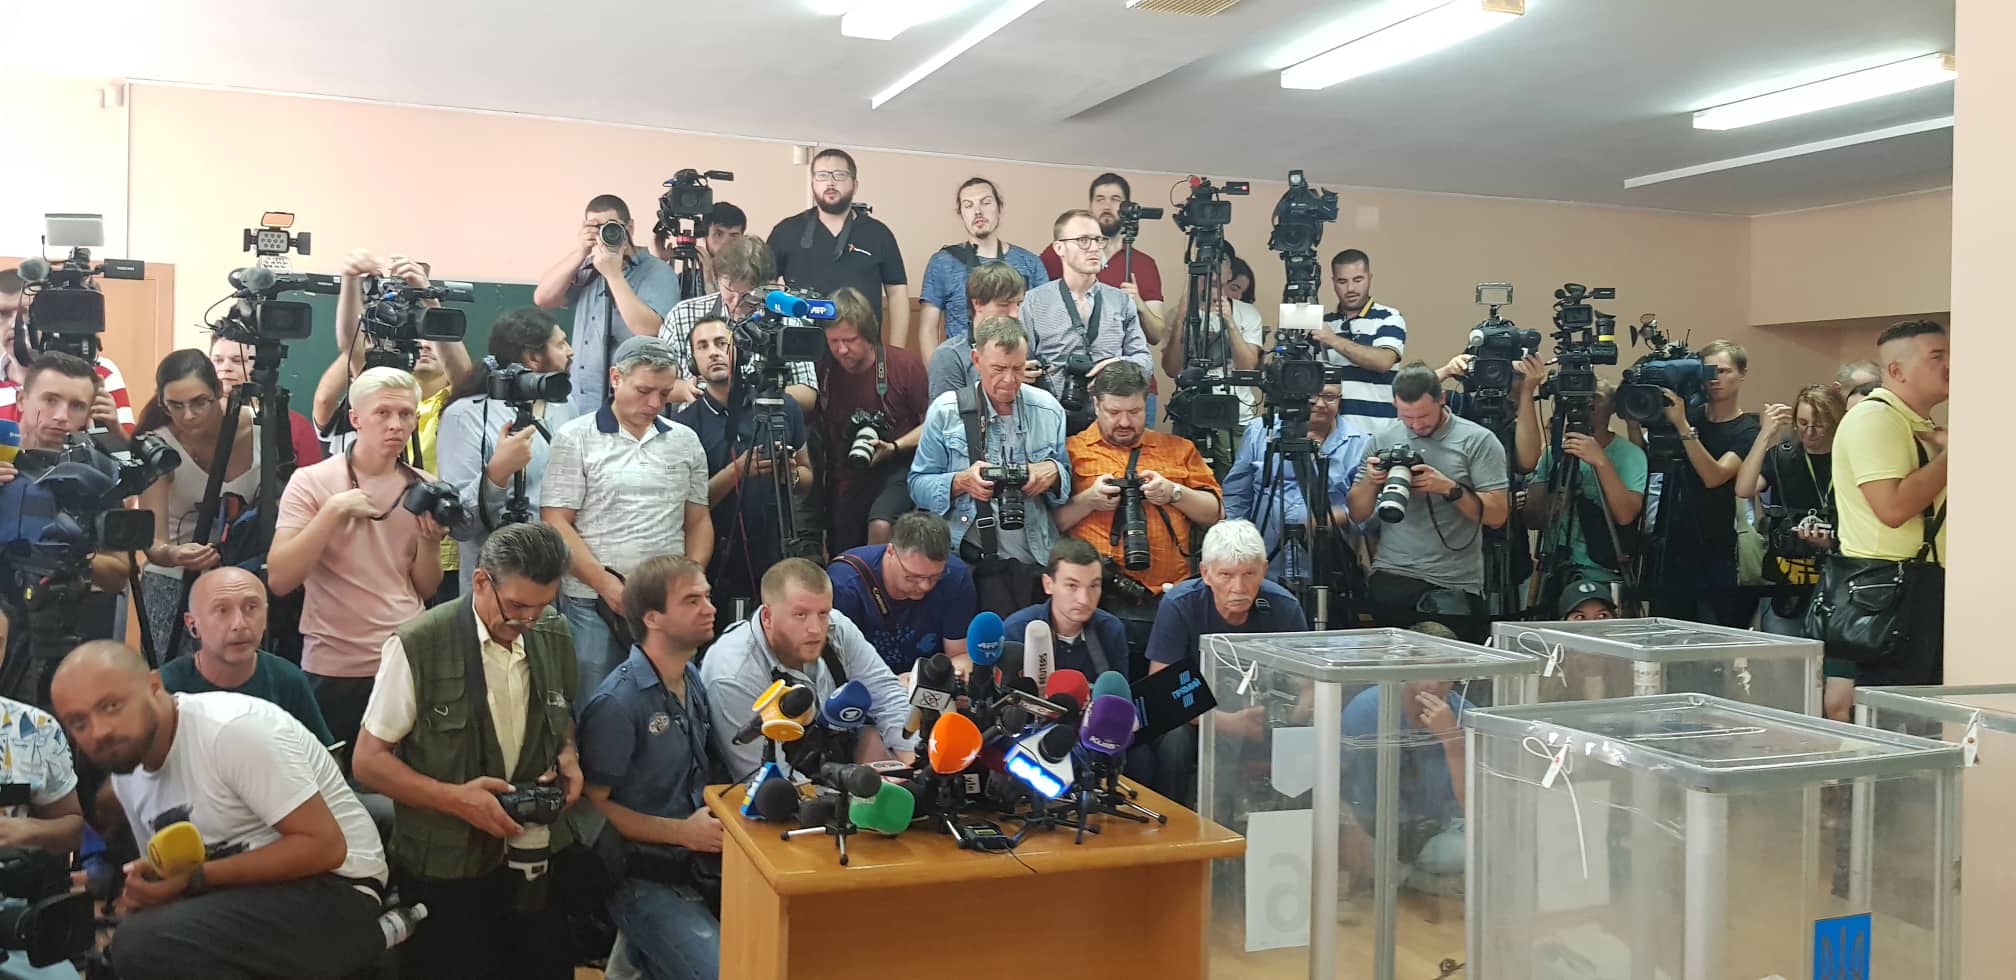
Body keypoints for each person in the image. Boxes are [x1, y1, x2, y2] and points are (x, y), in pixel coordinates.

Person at [53, 642, 386, 980]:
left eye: (111, 706)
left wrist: (193, 880)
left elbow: (326, 847)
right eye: (79, 722)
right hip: (248, 892)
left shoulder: (233, 731)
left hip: (342, 886)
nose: (100, 731)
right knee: (128, 947)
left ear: (154, 686)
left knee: (143, 944)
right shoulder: (127, 771)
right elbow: (173, 870)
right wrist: (150, 884)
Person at [351, 523, 584, 980]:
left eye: (541, 606)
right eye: (517, 606)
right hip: (447, 863)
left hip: (532, 852)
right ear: (480, 581)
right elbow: (368, 762)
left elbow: (562, 710)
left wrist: (568, 751)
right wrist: (455, 799)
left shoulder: (552, 632)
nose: (527, 622)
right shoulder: (419, 644)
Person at [269, 367, 447, 757]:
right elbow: (280, 578)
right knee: (331, 777)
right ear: (355, 418)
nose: (395, 424)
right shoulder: (312, 481)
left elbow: (424, 587)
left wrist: (430, 541)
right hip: (335, 662)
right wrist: (332, 513)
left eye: (406, 414)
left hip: (405, 656)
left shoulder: (424, 486)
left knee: (403, 776)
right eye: (382, 413)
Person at [580, 556, 726, 980]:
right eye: (692, 601)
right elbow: (590, 809)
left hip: (698, 867)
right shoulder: (618, 703)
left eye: (707, 596)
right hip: (642, 878)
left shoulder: (690, 676)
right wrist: (682, 833)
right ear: (652, 617)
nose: (710, 608)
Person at [543, 336, 712, 702]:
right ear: (615, 378)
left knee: (670, 703)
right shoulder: (575, 437)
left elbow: (698, 520)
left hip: (667, 603)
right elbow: (555, 520)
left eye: (665, 393)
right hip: (593, 602)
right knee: (594, 702)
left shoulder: (685, 440)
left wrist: (690, 581)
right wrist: (606, 585)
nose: (655, 404)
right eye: (644, 390)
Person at [318, 250, 478, 605]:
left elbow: (464, 374)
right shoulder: (385, 394)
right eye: (417, 336)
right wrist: (350, 284)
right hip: (381, 541)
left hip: (439, 541)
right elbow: (350, 346)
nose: (424, 344)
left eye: (429, 335)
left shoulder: (453, 404)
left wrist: (428, 296)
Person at [1053, 362, 1222, 665]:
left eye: (1135, 412)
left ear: (1147, 404)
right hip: (1099, 600)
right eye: (1114, 412)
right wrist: (1089, 501)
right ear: (1096, 404)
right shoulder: (1070, 451)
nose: (1125, 422)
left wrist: (1174, 493)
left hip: (1169, 600)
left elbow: (1215, 514)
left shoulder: (1178, 449)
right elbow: (1050, 525)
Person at [699, 559, 916, 783]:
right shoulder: (734, 674)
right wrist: (850, 794)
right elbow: (763, 780)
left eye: (823, 613)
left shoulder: (836, 627)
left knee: (880, 741)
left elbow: (887, 695)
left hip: (835, 764)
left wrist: (914, 764)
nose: (816, 629)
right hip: (772, 788)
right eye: (800, 615)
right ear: (767, 617)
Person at [910, 316, 1072, 615]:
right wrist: (961, 482)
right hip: (967, 560)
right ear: (976, 360)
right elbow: (917, 486)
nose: (1009, 380)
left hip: (1034, 561)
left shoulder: (1049, 409)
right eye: (998, 369)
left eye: (1018, 368)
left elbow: (1065, 489)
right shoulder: (946, 411)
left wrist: (1053, 472)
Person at [1141, 520, 1308, 806]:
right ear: (1206, 573)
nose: (1238, 587)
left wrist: (1295, 714)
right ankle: (1173, 820)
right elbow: (1162, 691)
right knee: (1174, 739)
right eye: (1226, 575)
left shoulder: (1284, 606)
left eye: (1249, 574)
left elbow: (1309, 684)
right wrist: (1229, 724)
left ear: (1264, 570)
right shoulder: (1181, 605)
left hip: (1263, 717)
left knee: (1306, 737)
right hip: (1198, 719)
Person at [1346, 363, 1509, 641]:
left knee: (1443, 665)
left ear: (1441, 399)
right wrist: (1372, 481)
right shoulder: (1383, 439)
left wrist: (1449, 488)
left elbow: (1497, 516)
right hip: (1391, 574)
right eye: (1406, 417)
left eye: (1423, 416)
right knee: (1393, 665)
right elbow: (1358, 514)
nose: (1416, 425)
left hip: (1452, 581)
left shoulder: (1478, 440)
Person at [670, 316, 812, 628]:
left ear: (740, 351)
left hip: (777, 549)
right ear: (693, 361)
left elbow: (807, 477)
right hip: (720, 558)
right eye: (702, 346)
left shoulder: (783, 407)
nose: (713, 352)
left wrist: (790, 475)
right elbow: (688, 508)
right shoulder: (685, 426)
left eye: (722, 343)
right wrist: (738, 471)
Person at [1832, 319, 1947, 690]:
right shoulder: (1874, 418)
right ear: (1896, 371)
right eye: (1937, 356)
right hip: (1887, 592)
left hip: (1917, 586)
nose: (1950, 365)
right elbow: (1892, 508)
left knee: (1926, 711)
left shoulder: (1914, 420)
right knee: (1898, 713)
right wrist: (1955, 454)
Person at [435, 307, 581, 594]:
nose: (571, 351)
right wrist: (497, 474)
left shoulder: (565, 405)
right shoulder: (466, 416)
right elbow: (460, 525)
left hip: (560, 581)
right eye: (561, 344)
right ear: (533, 357)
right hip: (497, 586)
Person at [132, 351, 260, 655]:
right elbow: (154, 543)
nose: (188, 415)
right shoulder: (156, 446)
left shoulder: (259, 429)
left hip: (244, 578)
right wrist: (174, 554)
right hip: (174, 582)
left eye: (199, 402)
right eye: (175, 406)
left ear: (218, 391)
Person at [1339, 622, 1472, 898]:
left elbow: (1474, 807)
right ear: (1405, 667)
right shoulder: (1367, 711)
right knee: (1336, 840)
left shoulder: (1464, 714)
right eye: (1424, 672)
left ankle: (1405, 875)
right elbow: (1335, 786)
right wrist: (1350, 829)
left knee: (1480, 848)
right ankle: (1415, 880)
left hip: (1435, 830)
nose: (1434, 684)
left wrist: (1452, 742)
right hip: (1371, 825)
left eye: (1445, 673)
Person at [1635, 339, 1761, 627]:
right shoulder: (1687, 414)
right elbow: (1651, 462)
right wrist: (1635, 419)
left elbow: (1714, 476)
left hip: (1716, 545)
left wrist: (1682, 426)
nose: (1714, 379)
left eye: (1723, 371)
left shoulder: (1747, 430)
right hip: (1671, 542)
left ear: (1742, 374)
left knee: (1718, 632)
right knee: (1666, 629)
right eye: (1708, 372)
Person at [535, 195, 683, 416]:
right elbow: (543, 298)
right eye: (595, 227)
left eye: (611, 226)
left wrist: (613, 274)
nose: (604, 234)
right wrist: (581, 251)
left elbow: (648, 329)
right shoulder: (588, 268)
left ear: (629, 227)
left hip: (631, 407)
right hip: (580, 403)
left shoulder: (656, 271)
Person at [1223, 380, 1373, 594]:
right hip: (1263, 559)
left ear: (1341, 399)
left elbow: (1370, 511)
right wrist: (1236, 541)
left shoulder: (1359, 442)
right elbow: (1237, 493)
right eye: (1312, 396)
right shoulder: (1261, 431)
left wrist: (1337, 516)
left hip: (1326, 563)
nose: (1320, 403)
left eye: (1330, 397)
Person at [1515, 372, 1647, 609]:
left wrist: (1600, 461)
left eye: (1595, 398)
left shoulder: (1630, 455)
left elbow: (1626, 514)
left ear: (1613, 407)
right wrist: (1552, 503)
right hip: (1554, 571)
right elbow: (1532, 520)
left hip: (1603, 573)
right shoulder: (1554, 453)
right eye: (1581, 398)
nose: (1588, 404)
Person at [158, 567, 332, 745]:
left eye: (251, 608)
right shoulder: (166, 688)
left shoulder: (287, 680)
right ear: (192, 624)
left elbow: (322, 756)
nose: (239, 624)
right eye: (222, 610)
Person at [816, 288, 930, 554]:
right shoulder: (825, 372)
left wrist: (895, 446)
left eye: (850, 340)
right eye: (833, 341)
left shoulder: (904, 365)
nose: (842, 350)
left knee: (880, 525)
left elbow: (933, 425)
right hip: (850, 469)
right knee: (841, 544)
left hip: (900, 465)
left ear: (869, 335)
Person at [766, 148, 910, 348]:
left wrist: (895, 352)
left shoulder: (879, 233)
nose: (830, 183)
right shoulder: (786, 230)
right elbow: (766, 285)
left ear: (855, 184)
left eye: (839, 175)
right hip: (800, 348)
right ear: (813, 183)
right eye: (822, 175)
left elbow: (897, 292)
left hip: (862, 350)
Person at [658, 235, 817, 412]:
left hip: (762, 421)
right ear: (717, 279)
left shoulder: (786, 320)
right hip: (697, 424)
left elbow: (808, 395)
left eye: (748, 295)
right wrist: (681, 389)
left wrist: (758, 393)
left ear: (768, 286)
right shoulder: (682, 315)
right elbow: (652, 383)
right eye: (730, 290)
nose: (736, 302)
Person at [1020, 209, 1152, 420]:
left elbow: (1145, 361)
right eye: (1083, 240)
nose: (1094, 248)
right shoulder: (1034, 301)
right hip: (1050, 417)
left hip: (1110, 421)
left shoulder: (1121, 301)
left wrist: (1118, 366)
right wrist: (1019, 370)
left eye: (1098, 240)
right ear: (1059, 248)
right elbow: (1020, 362)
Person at [1737, 384, 1844, 633]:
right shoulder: (1782, 456)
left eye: (1819, 425)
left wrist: (1831, 541)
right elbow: (1743, 489)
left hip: (1834, 579)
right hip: (1784, 580)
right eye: (1802, 423)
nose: (1809, 432)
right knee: (1782, 652)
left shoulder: (1848, 458)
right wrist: (1765, 434)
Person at [827, 512, 976, 676]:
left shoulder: (954, 575)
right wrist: (895, 686)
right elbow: (838, 670)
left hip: (930, 680)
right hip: (866, 683)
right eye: (913, 577)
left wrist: (919, 680)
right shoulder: (845, 584)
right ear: (890, 551)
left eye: (935, 577)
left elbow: (960, 655)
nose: (925, 586)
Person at [0, 268, 137, 442]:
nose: (14, 324)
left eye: (25, 312)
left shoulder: (101, 371)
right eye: (2, 313)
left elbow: (128, 452)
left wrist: (113, 429)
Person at [918, 177, 1050, 351]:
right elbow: (928, 329)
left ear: (999, 208)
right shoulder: (942, 262)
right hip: (962, 364)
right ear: (961, 214)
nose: (978, 211)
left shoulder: (1030, 262)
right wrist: (936, 368)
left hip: (1018, 363)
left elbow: (1045, 325)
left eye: (986, 203)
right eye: (968, 205)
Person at [1041, 173, 1168, 347]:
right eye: (1100, 199)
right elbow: (1037, 305)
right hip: (1071, 355)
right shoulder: (1063, 250)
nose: (1107, 206)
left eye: (1115, 199)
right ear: (1090, 206)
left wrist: (1138, 304)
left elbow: (1156, 335)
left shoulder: (1144, 264)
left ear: (1126, 207)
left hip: (1123, 361)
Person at [1160, 248, 1266, 430]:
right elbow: (1171, 369)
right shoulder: (1177, 313)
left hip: (1236, 415)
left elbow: (1246, 368)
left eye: (1221, 260)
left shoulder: (1248, 313)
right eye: (1207, 258)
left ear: (1230, 273)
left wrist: (1230, 322)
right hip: (1190, 414)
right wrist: (1180, 319)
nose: (1213, 265)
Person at [1001, 538, 1130, 679]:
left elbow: (1118, 691)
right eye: (1072, 586)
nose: (1084, 599)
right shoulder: (1017, 630)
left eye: (1093, 586)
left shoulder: (1111, 630)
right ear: (1048, 584)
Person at [1315, 249, 1408, 433]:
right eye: (1342, 281)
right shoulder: (1323, 324)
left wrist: (1333, 340)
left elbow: (1383, 361)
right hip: (1332, 436)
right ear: (1333, 283)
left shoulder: (1388, 317)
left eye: (1358, 280)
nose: (1350, 289)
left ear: (1369, 278)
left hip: (1378, 434)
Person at [208, 333, 325, 466]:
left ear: (260, 366)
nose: (225, 368)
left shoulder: (296, 425)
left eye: (238, 361)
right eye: (218, 360)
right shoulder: (197, 421)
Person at [927, 261, 1028, 403]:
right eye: (1004, 304)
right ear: (977, 303)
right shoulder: (949, 356)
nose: (1015, 314)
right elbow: (948, 414)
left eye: (1018, 304)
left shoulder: (1022, 346)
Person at [653, 201, 747, 297]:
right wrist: (661, 263)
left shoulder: (750, 279)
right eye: (718, 234)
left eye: (734, 236)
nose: (725, 242)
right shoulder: (688, 280)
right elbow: (659, 302)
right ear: (704, 236)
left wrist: (709, 282)